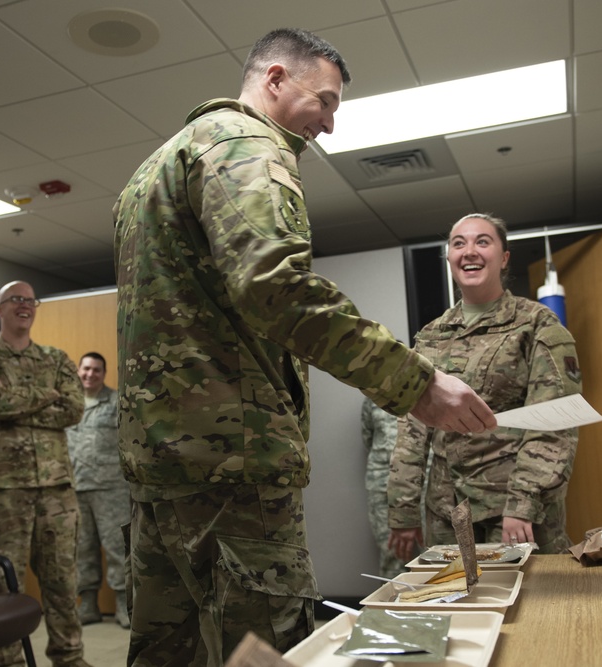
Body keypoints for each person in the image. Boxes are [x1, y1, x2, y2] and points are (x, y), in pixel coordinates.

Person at [113, 27, 497, 666]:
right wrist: (418, 383)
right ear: (274, 80)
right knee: (270, 648)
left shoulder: (151, 170)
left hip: (161, 467)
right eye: (324, 102)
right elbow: (277, 288)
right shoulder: (249, 148)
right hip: (232, 467)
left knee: (167, 653)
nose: (329, 124)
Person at [388, 214, 583, 560]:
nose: (469, 252)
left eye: (483, 241)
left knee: (530, 607)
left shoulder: (536, 324)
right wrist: (403, 511)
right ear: (449, 257)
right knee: (457, 604)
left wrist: (523, 503)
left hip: (514, 512)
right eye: (458, 243)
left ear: (504, 258)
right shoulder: (432, 335)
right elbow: (413, 429)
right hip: (448, 513)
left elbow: (555, 421)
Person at [0, 281, 93, 667]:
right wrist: (45, 395)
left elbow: (73, 409)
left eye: (30, 300)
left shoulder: (55, 358)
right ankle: (5, 661)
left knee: (63, 580)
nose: (24, 305)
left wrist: (17, 400)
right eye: (15, 299)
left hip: (56, 488)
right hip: (3, 489)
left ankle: (69, 657)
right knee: (1, 582)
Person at [66, 352, 131, 629]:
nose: (90, 374)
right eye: (86, 369)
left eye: (96, 370)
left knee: (118, 549)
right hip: (74, 488)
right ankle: (88, 606)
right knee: (82, 550)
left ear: (104, 374)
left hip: (110, 489)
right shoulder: (67, 404)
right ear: (78, 370)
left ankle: (123, 606)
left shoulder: (117, 402)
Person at [361, 395, 407, 578]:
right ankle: (390, 604)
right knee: (391, 552)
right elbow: (368, 436)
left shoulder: (429, 392)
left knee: (430, 553)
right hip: (381, 483)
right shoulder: (373, 396)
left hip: (425, 484)